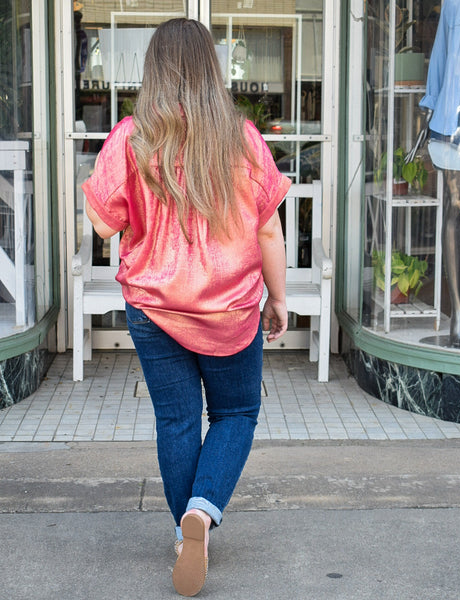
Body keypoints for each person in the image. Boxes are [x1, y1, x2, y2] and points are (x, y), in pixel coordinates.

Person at [82, 18, 291, 597]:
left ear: (153, 70)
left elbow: (104, 224)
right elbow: (269, 232)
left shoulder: (130, 136)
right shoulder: (243, 138)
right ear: (210, 70)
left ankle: (184, 531)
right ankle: (203, 509)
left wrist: (96, 189)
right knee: (235, 416)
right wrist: (279, 298)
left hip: (153, 307)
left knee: (176, 420)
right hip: (230, 308)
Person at [407, 0, 460, 347]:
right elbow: (439, 58)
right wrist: (430, 112)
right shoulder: (455, 3)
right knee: (454, 208)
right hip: (458, 106)